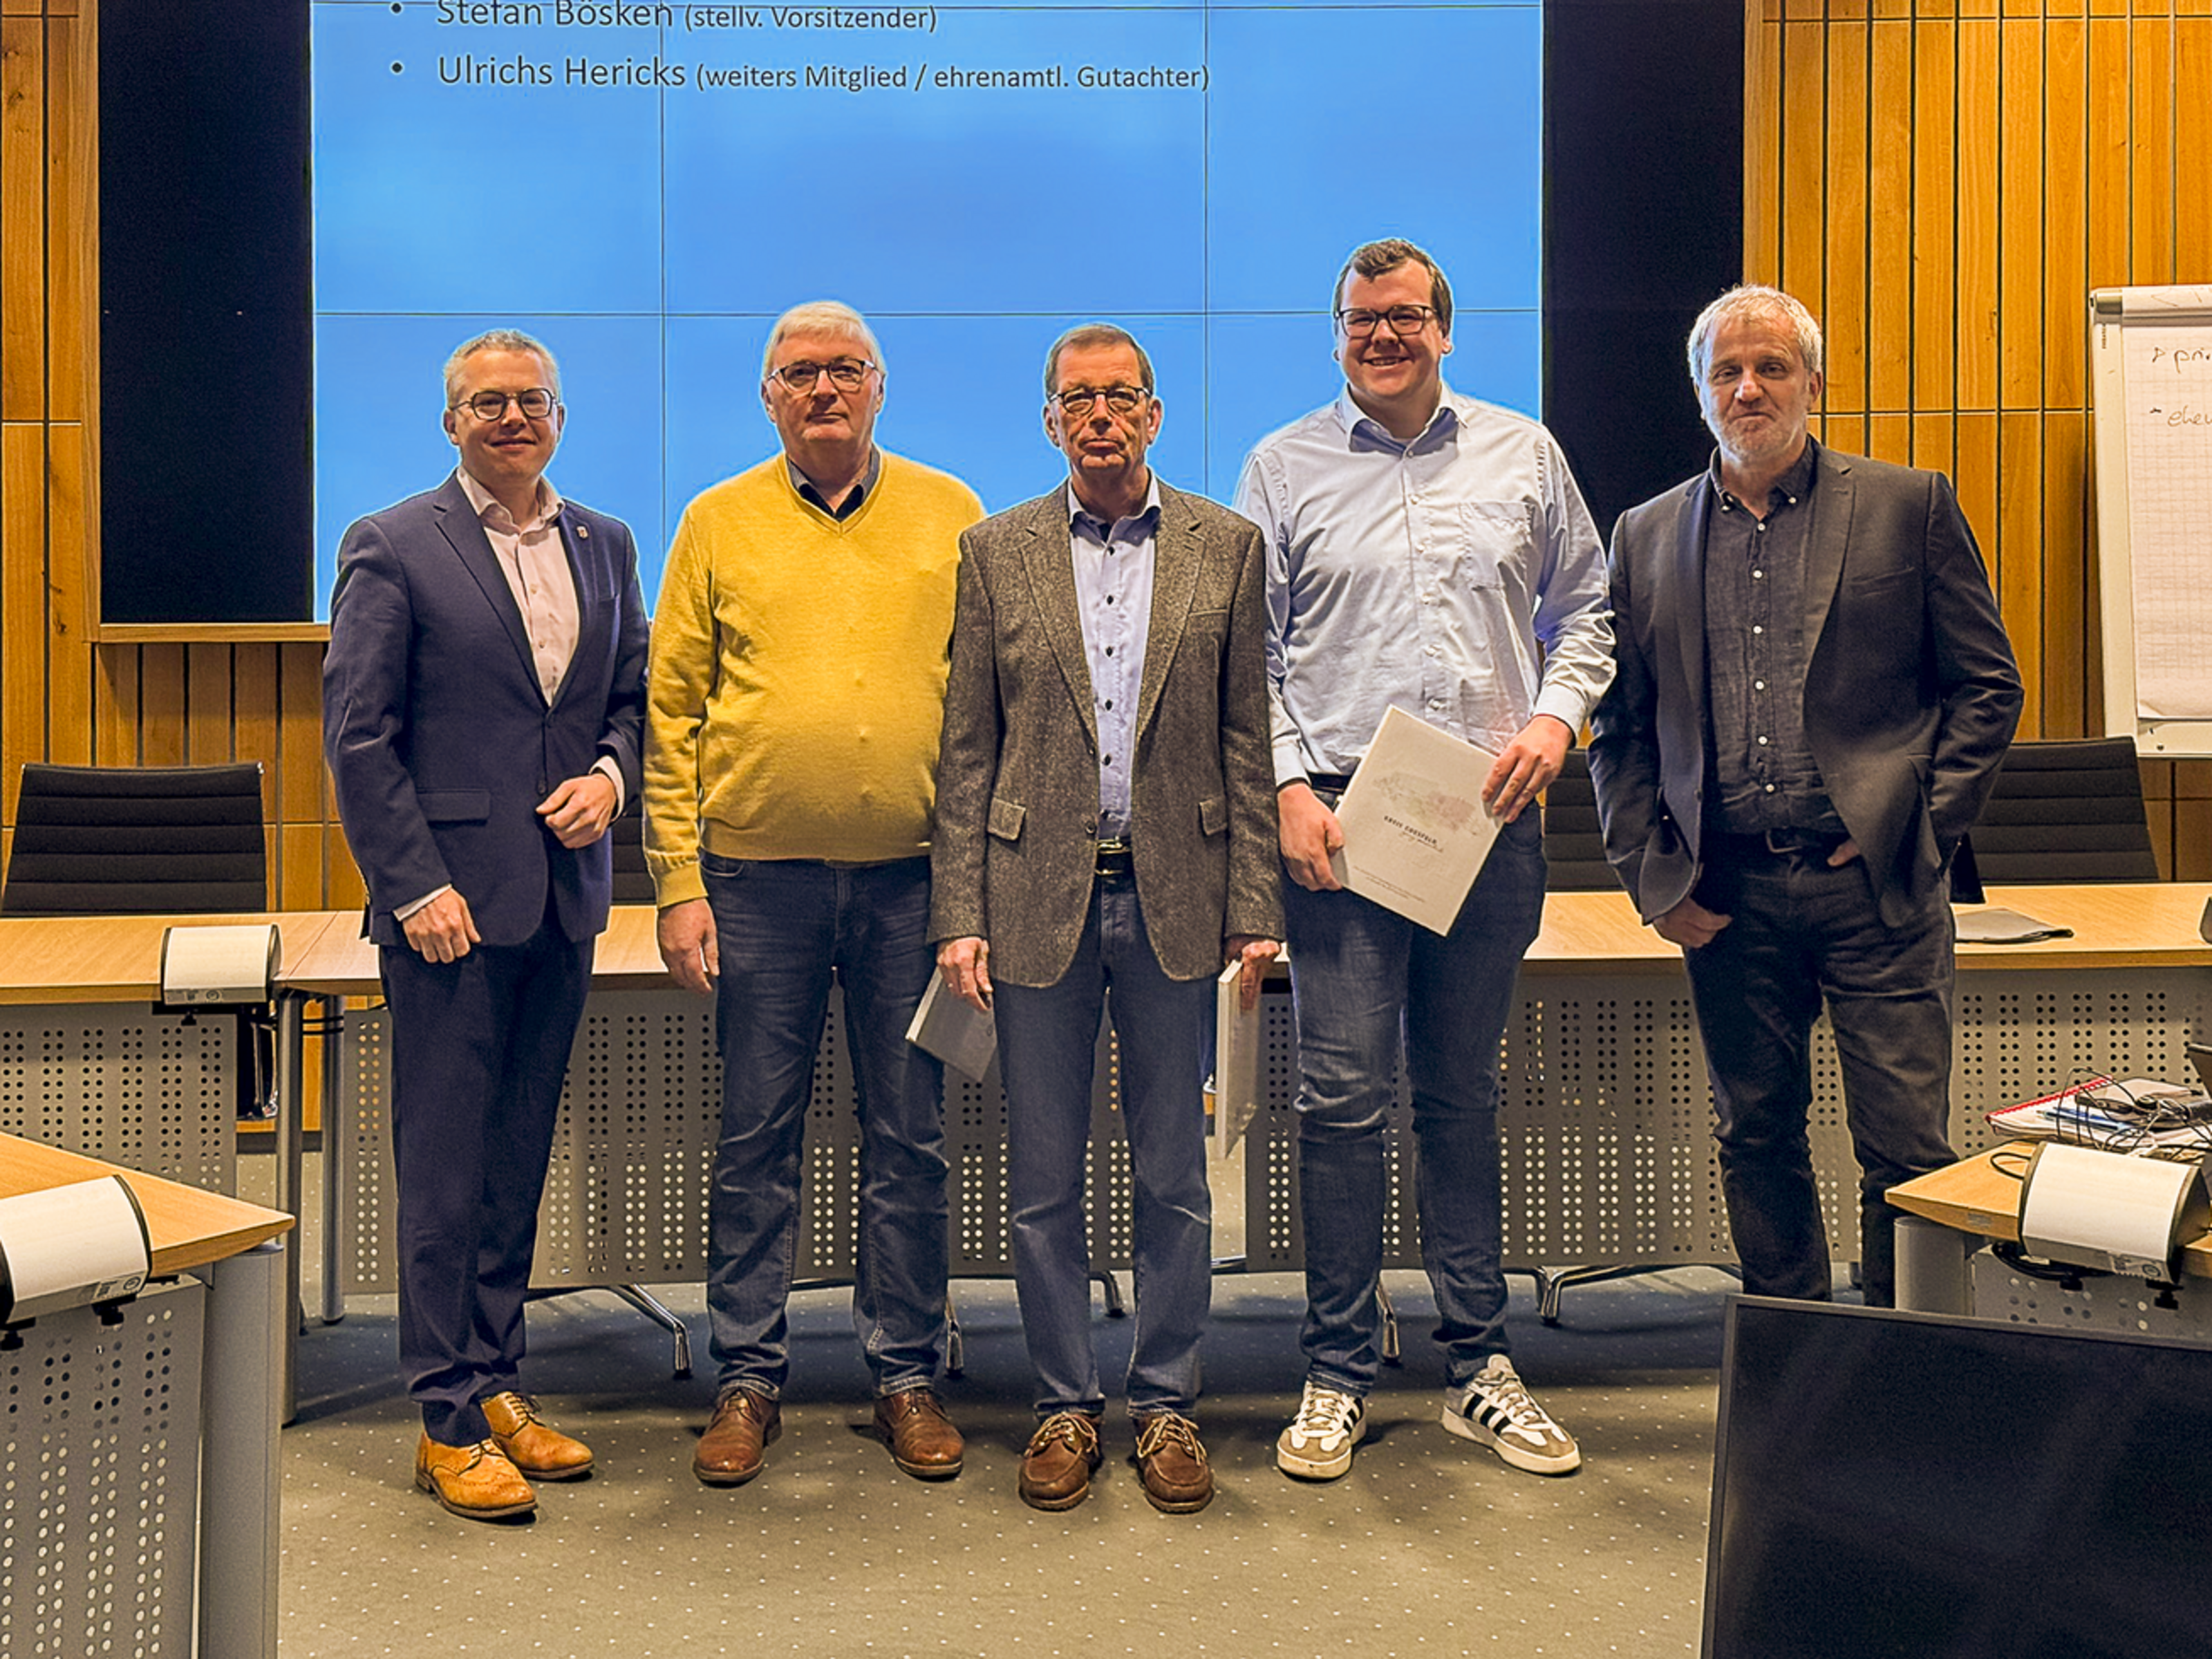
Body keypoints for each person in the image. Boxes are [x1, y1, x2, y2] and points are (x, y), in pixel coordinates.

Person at [1234, 238, 1613, 1483]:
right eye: (1358, 319)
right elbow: (1257, 653)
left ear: (1445, 329)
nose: (1380, 336)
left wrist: (1557, 720)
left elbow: (1589, 613)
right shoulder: (1281, 466)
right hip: (1343, 825)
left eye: (1402, 317)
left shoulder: (1525, 453)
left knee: (1461, 1098)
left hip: (1487, 820)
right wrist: (1287, 784)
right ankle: (1338, 1365)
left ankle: (1477, 1366)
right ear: (1336, 332)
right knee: (1339, 1102)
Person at [1588, 284, 2022, 1307]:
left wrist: (1920, 830)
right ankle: (1798, 1360)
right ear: (1700, 394)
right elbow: (1620, 725)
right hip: (1727, 895)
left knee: (1907, 1148)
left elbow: (1987, 684)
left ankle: (1905, 1360)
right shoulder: (1645, 536)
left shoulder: (1908, 504)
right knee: (1757, 1138)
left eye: (1772, 367)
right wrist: (1651, 878)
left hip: (1875, 889)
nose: (1749, 388)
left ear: (1813, 384)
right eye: (1728, 372)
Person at [932, 323, 1280, 1514]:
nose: (1099, 416)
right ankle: (1065, 1405)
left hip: (1179, 895)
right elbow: (967, 752)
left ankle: (1169, 1402)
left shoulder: (1227, 549)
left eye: (1120, 396)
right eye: (1076, 399)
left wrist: (1255, 905)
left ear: (1155, 413)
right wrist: (957, 915)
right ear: (1047, 419)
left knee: (1175, 1175)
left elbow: (1249, 741)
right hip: (1033, 905)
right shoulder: (995, 551)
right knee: (1040, 1178)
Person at [644, 301, 984, 1488]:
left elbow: (982, 715)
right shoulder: (714, 520)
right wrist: (678, 884)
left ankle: (905, 1377)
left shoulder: (952, 513)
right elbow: (671, 713)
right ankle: (749, 1377)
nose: (824, 389)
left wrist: (972, 892)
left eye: (846, 369)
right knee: (755, 1140)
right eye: (800, 373)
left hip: (913, 889)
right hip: (755, 887)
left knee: (911, 1139)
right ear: (769, 396)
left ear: (881, 387)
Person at [324, 328, 648, 1521]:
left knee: (514, 1162)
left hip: (562, 900)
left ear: (559, 414)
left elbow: (628, 701)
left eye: (531, 399)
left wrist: (614, 781)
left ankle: (499, 1381)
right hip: (448, 911)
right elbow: (359, 739)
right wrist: (414, 887)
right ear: (451, 420)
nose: (512, 417)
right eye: (486, 402)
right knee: (448, 1171)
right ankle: (443, 1418)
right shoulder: (393, 544)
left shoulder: (605, 543)